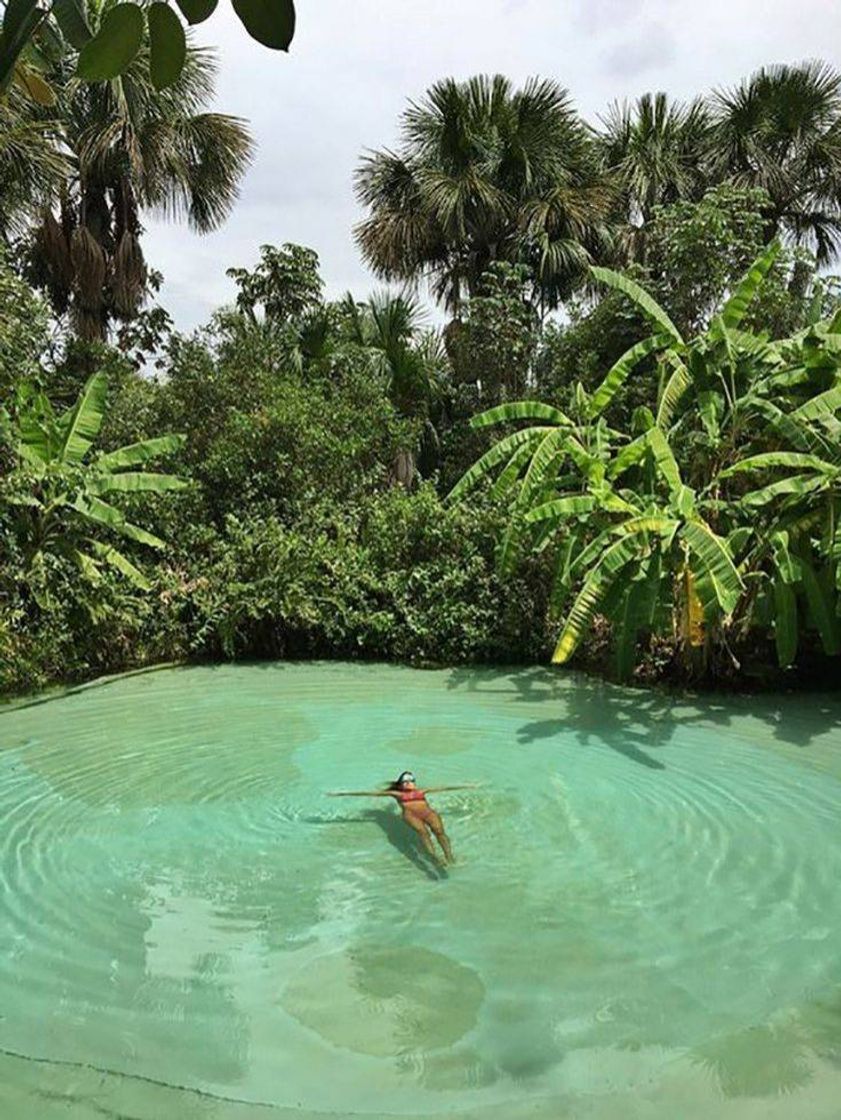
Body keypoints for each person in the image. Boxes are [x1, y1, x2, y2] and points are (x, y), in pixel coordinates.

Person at [328, 770, 473, 866]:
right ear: (401, 785)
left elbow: (444, 788)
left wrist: (468, 786)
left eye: (411, 781)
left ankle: (449, 856)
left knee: (440, 832)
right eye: (405, 782)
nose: (409, 783)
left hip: (428, 813)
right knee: (424, 834)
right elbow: (369, 793)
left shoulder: (422, 791)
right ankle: (435, 858)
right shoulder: (398, 795)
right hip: (411, 815)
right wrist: (342, 793)